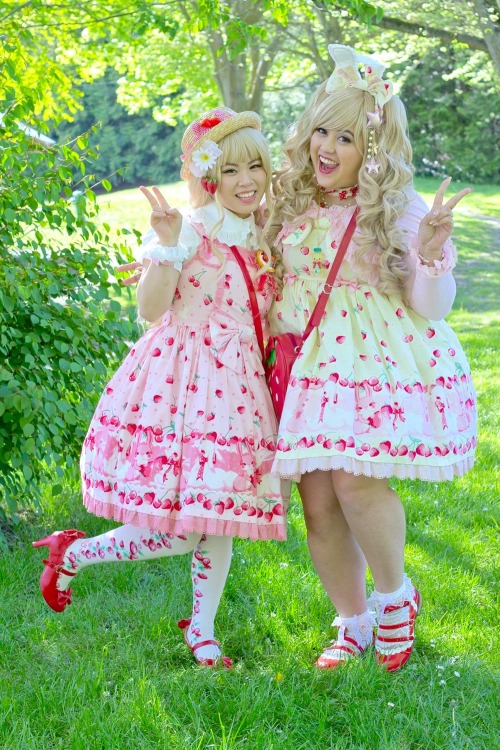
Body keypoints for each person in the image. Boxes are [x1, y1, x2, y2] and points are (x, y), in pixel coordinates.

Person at [33, 107, 289, 668]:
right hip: (183, 387)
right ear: (206, 177)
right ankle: (76, 552)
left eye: (256, 167)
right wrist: (167, 245)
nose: (246, 180)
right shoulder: (192, 229)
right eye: (230, 170)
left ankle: (202, 631)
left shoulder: (263, 235)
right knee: (179, 528)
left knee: (221, 517)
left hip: (240, 393)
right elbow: (151, 310)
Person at [265, 44, 477, 672]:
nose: (326, 148)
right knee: (318, 500)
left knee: (356, 481)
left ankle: (394, 600)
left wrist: (433, 253)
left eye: (347, 138)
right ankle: (351, 620)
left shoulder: (399, 208)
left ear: (375, 150)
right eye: (321, 130)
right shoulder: (296, 200)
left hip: (371, 365)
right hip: (307, 364)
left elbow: (431, 305)